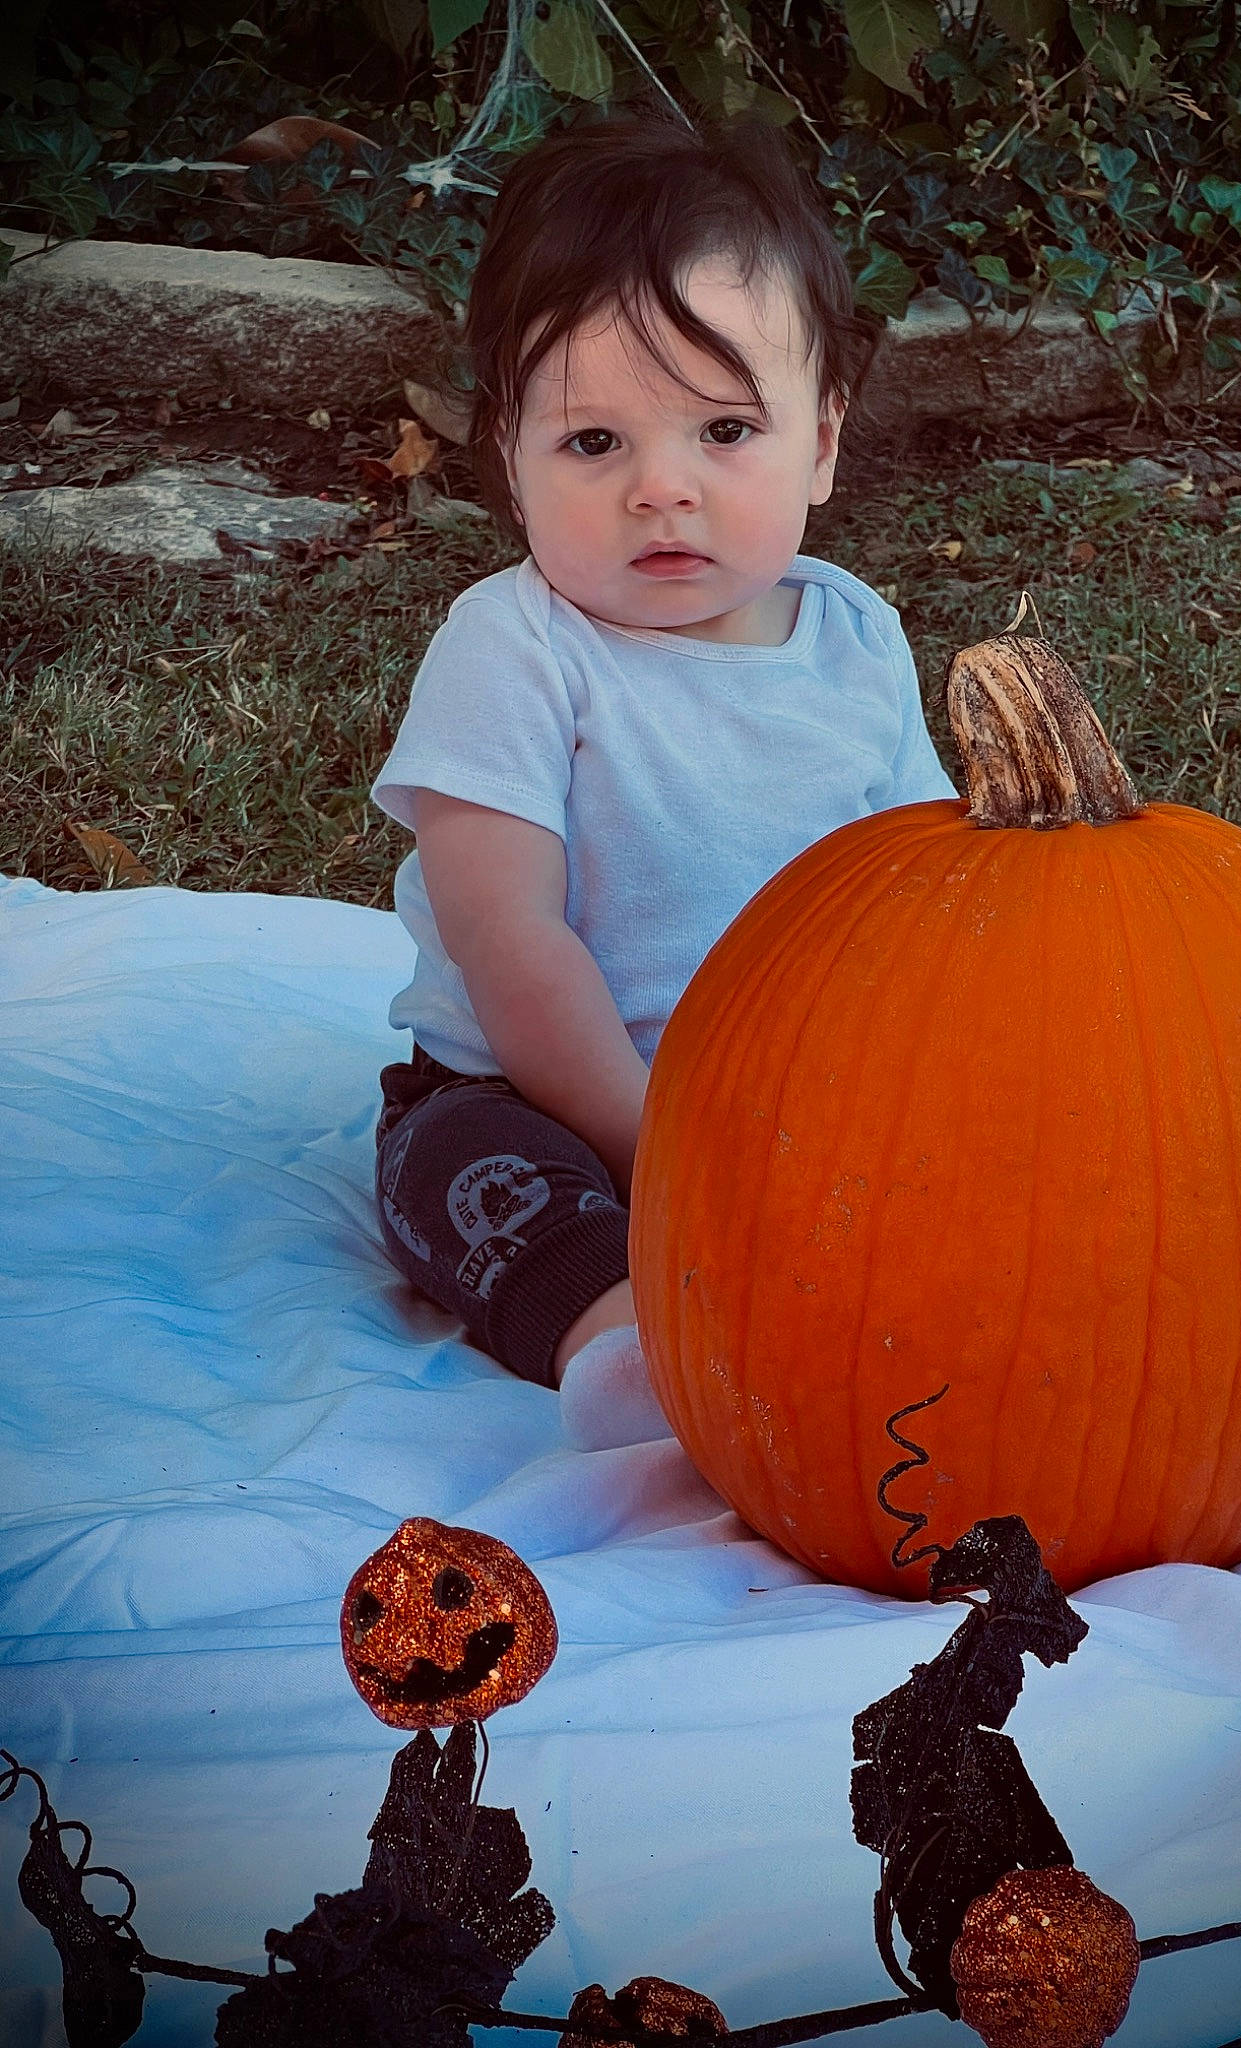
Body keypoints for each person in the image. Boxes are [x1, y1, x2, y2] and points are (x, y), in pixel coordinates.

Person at [369, 96, 957, 1415]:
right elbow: (511, 945)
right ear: (509, 461)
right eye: (593, 441)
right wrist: (658, 1145)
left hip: (794, 1104)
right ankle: (624, 1344)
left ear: (825, 439)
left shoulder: (855, 641)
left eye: (725, 431)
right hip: (538, 1093)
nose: (662, 487)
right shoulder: (515, 650)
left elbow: (925, 901)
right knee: (472, 1183)